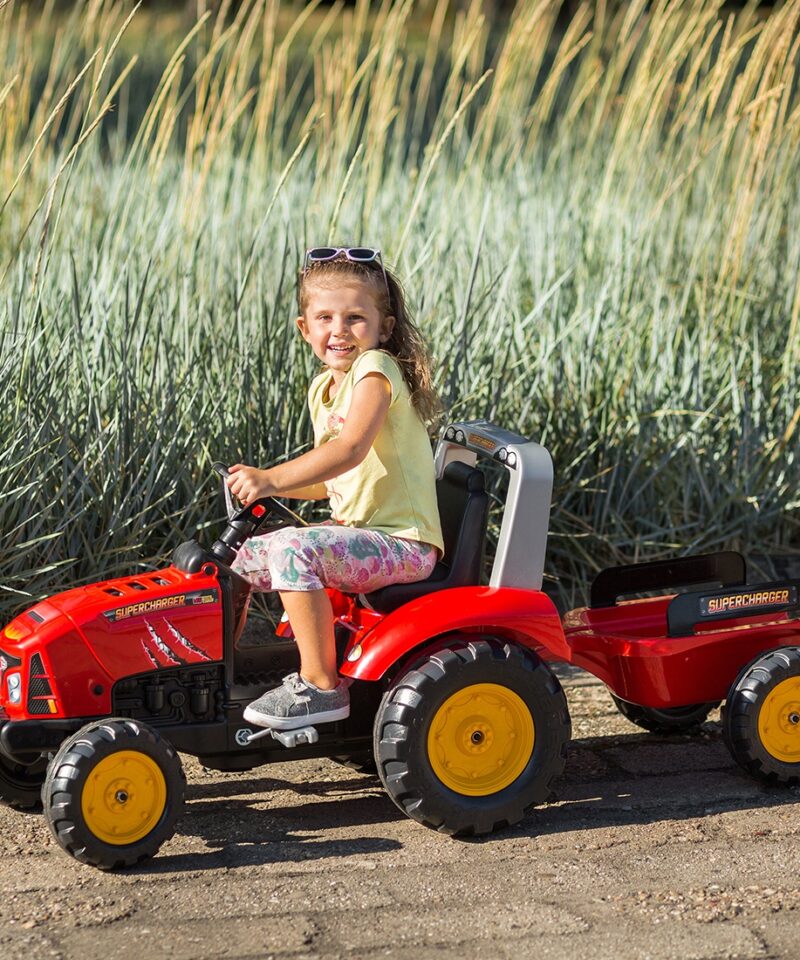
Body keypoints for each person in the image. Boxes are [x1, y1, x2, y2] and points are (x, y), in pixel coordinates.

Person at [227, 246, 444, 730]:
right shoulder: (325, 386)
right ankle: (225, 668)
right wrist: (265, 490)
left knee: (292, 551)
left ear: (383, 328)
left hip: (402, 543)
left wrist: (271, 477)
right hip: (361, 537)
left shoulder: (376, 371)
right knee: (238, 559)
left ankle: (320, 687)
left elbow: (349, 449)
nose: (339, 330)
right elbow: (333, 479)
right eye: (324, 317)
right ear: (305, 328)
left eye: (354, 318)